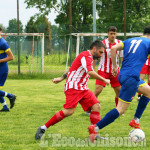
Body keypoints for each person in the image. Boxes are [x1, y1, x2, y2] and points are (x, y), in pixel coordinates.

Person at [35, 40, 110, 140]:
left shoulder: (87, 57)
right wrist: (104, 79)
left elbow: (72, 68)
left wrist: (61, 78)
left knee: (96, 106)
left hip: (82, 88)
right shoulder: (86, 56)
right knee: (69, 111)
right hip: (74, 87)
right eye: (100, 52)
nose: (101, 55)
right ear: (94, 49)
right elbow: (90, 72)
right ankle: (42, 128)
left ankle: (94, 134)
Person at [88, 26, 150, 143]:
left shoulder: (129, 41)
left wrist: (115, 66)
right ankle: (95, 128)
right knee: (120, 109)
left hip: (123, 75)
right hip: (131, 78)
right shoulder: (149, 43)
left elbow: (113, 48)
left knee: (148, 92)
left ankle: (135, 121)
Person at [94, 26, 123, 107]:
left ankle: (118, 109)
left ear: (116, 34)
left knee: (119, 91)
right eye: (111, 34)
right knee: (98, 90)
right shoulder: (102, 43)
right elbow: (96, 56)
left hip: (115, 71)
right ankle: (90, 107)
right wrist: (92, 68)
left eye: (114, 34)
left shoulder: (120, 44)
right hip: (103, 70)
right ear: (108, 34)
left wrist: (123, 70)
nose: (113, 35)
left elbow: (122, 58)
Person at [0, 27, 16, 111]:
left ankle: (11, 96)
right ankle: (5, 107)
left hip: (2, 69)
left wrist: (0, 60)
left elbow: (11, 57)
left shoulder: (3, 43)